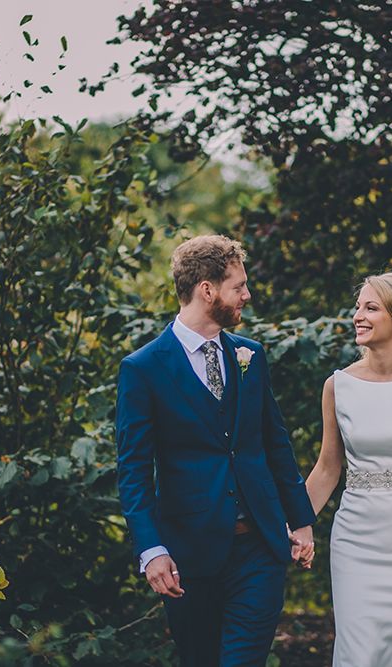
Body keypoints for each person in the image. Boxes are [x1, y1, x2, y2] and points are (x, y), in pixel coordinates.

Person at [115, 235, 315, 667]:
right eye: (238, 286)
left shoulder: (250, 355)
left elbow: (274, 443)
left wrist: (300, 520)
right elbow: (133, 471)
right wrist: (152, 550)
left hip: (260, 549)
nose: (248, 294)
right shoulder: (143, 369)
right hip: (189, 554)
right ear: (207, 289)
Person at [305, 272, 392, 666]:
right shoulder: (338, 386)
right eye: (358, 307)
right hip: (357, 541)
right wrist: (292, 523)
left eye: (371, 308)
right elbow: (327, 469)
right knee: (360, 655)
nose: (358, 316)